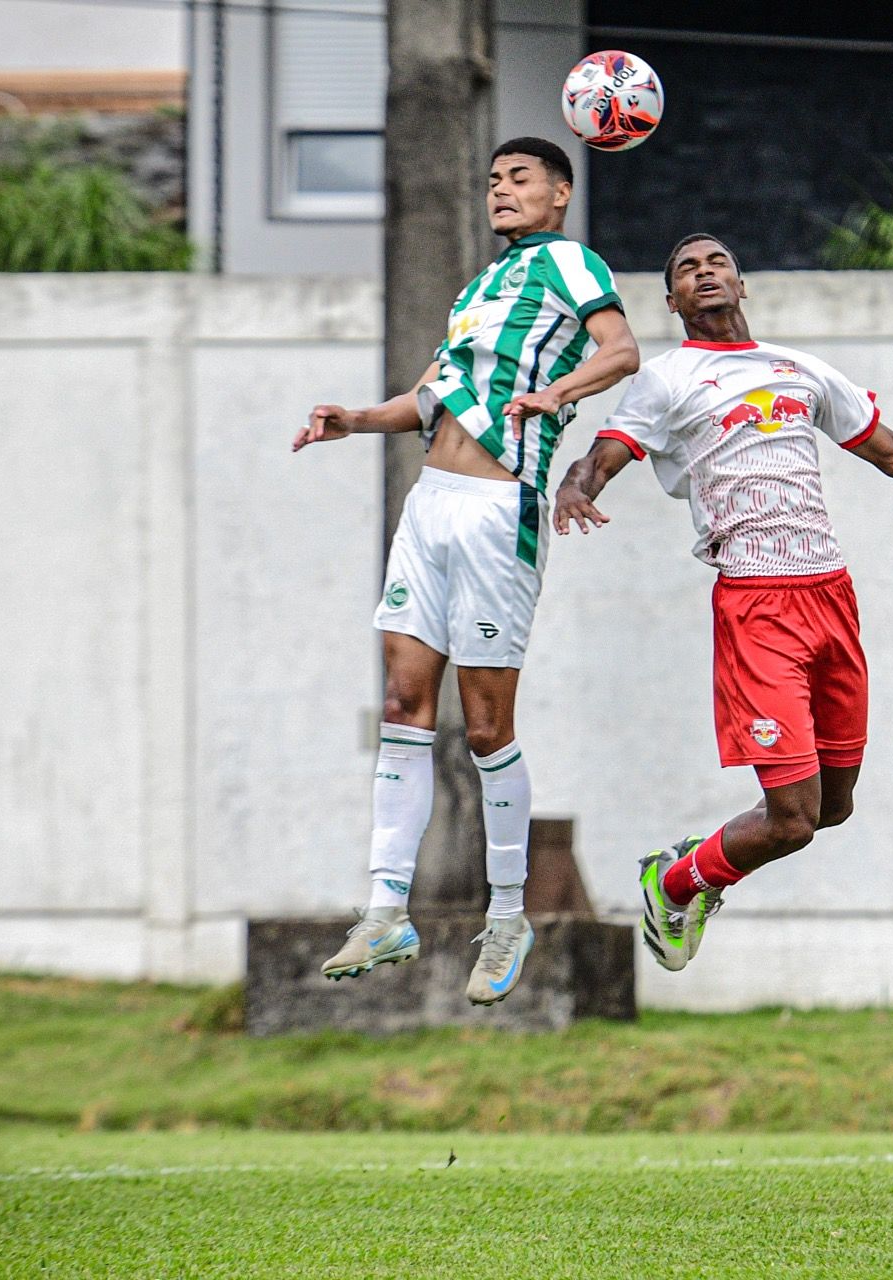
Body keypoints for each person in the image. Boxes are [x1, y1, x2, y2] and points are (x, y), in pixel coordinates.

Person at [551, 233, 893, 972]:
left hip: (831, 597)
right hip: (757, 605)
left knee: (834, 807)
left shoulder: (798, 371)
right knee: (795, 820)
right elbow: (606, 450)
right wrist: (580, 485)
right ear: (672, 301)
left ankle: (693, 865)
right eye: (686, 270)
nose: (705, 273)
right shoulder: (669, 378)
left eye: (718, 263)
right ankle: (674, 879)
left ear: (742, 284)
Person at [294, 137, 639, 1005]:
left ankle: (510, 914)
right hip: (431, 505)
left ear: (560, 193)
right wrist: (355, 418)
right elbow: (432, 394)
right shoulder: (478, 290)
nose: (501, 190)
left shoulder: (569, 262)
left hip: (499, 511)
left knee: (486, 726)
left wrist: (559, 394)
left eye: (520, 178)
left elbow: (622, 351)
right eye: (491, 180)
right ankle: (385, 907)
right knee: (405, 705)